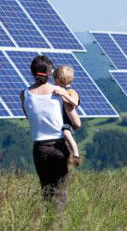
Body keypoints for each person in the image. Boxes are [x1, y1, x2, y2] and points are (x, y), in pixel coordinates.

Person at [20, 55, 81, 210]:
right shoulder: (59, 92)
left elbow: (30, 117)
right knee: (59, 194)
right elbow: (76, 123)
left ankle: (47, 228)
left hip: (40, 149)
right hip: (60, 146)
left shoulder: (24, 95)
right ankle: (57, 230)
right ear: (50, 72)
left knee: (46, 192)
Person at [53, 65, 82, 168]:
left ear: (58, 80)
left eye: (54, 80)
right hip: (61, 120)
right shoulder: (59, 90)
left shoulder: (71, 92)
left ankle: (76, 155)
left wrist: (64, 94)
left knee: (66, 134)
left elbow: (74, 102)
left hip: (68, 121)